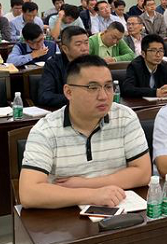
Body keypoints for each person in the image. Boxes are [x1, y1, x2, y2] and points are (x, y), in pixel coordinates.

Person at [19, 55, 151, 209]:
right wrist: (93, 195)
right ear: (69, 92)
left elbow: (143, 173)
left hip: (119, 207)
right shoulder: (45, 131)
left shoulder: (125, 117)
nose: (103, 96)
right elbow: (29, 193)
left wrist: (87, 184)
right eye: (92, 88)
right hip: (64, 214)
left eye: (108, 87)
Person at [37, 26, 89, 108]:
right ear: (65, 49)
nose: (84, 48)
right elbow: (44, 96)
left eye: (86, 43)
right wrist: (76, 99)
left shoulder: (93, 63)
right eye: (78, 44)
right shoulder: (53, 65)